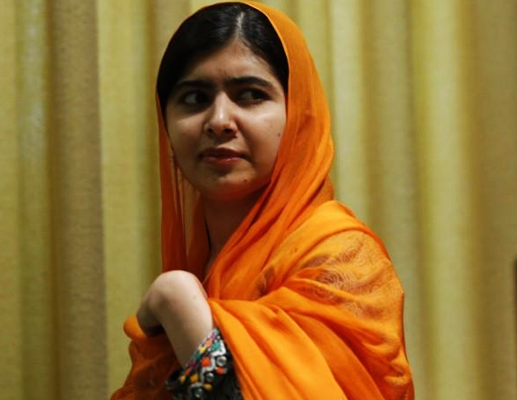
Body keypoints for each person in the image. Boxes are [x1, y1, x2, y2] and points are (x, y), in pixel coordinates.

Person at [112, 2, 414, 399]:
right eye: (194, 97)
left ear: (299, 114)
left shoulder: (340, 256)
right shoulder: (202, 261)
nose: (219, 119)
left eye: (251, 95)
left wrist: (178, 303)